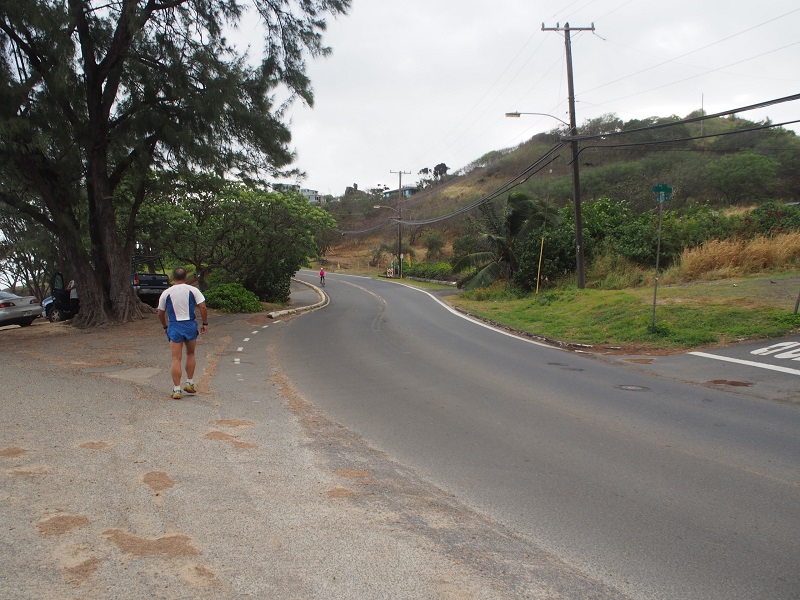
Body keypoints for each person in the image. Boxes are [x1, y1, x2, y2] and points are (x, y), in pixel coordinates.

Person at [157, 267, 208, 400]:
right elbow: (202, 306)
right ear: (186, 278)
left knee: (176, 358)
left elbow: (160, 312)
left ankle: (177, 389)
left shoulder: (167, 292)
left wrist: (165, 326)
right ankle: (190, 382)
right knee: (190, 353)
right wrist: (205, 323)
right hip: (189, 324)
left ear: (173, 278)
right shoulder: (193, 290)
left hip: (175, 325)